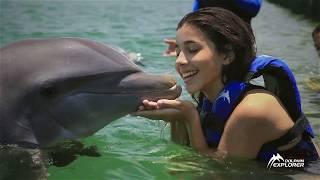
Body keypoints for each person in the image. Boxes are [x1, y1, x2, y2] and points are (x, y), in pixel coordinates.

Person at [134, 7, 319, 163]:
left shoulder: (253, 109)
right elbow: (185, 160)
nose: (180, 61)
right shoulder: (209, 98)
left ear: (227, 55)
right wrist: (178, 118)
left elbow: (220, 171)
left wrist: (189, 116)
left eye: (192, 50)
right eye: (178, 52)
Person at [163, 0, 262, 57]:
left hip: (240, 45)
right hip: (210, 46)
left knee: (238, 83)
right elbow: (195, 20)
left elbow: (254, 8)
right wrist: (183, 45)